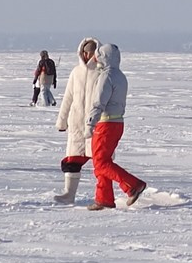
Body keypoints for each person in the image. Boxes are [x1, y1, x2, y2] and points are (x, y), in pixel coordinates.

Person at [86, 42, 146, 209]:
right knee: (103, 161)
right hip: (117, 123)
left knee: (100, 162)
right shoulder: (120, 76)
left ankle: (133, 185)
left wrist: (90, 123)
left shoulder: (107, 76)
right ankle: (103, 198)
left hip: (106, 123)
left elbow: (99, 102)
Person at [52, 38, 101, 203]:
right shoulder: (76, 72)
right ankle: (69, 194)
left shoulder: (101, 72)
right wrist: (62, 120)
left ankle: (105, 195)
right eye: (85, 52)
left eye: (91, 52)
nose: (87, 55)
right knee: (72, 160)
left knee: (101, 161)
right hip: (77, 123)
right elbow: (68, 97)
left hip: (95, 124)